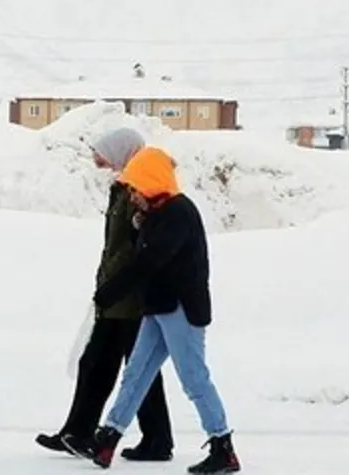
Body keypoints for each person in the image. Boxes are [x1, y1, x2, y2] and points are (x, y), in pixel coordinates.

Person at [64, 146, 241, 473]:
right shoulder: (157, 213)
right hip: (157, 307)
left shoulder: (179, 213)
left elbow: (149, 261)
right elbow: (145, 250)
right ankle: (108, 439)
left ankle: (222, 446)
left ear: (150, 182)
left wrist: (111, 292)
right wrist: (138, 225)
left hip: (181, 310)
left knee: (193, 378)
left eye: (135, 188)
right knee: (136, 374)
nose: (132, 196)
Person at [36, 127, 175, 462]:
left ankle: (155, 440)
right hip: (115, 295)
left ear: (121, 149)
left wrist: (115, 283)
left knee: (135, 369)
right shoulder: (122, 187)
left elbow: (133, 249)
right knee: (99, 363)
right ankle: (78, 432)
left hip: (128, 298)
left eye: (102, 152)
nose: (97, 159)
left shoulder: (139, 190)